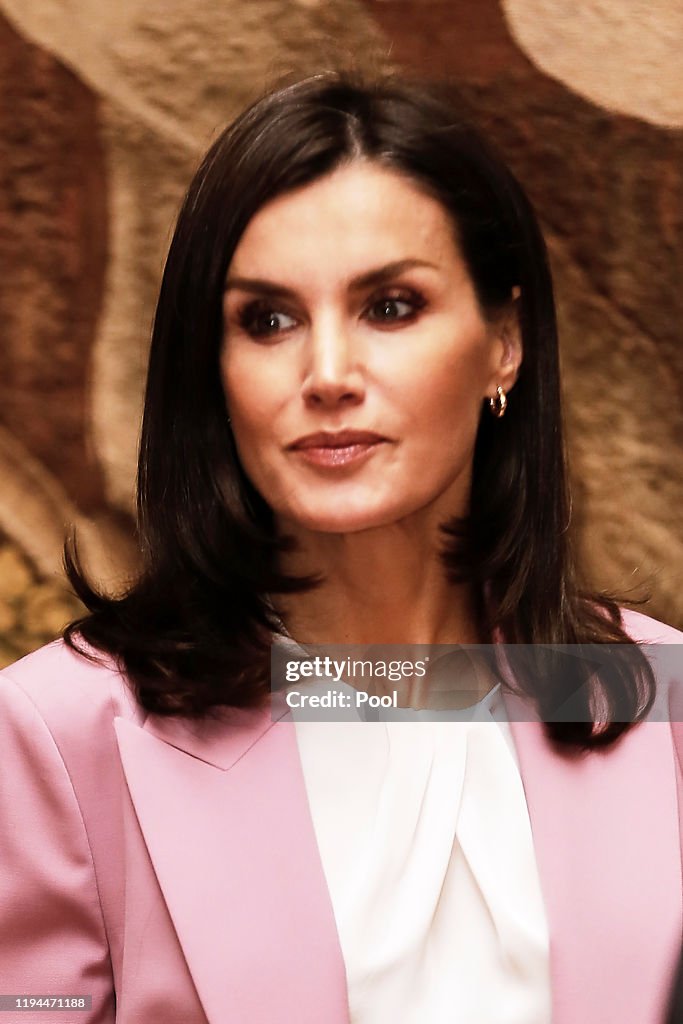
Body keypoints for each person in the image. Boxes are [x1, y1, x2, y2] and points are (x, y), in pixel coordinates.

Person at [0, 69, 681, 1024]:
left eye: (391, 306)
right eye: (267, 321)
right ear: (213, 365)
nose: (326, 374)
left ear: (503, 343)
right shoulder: (58, 736)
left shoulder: (664, 702)